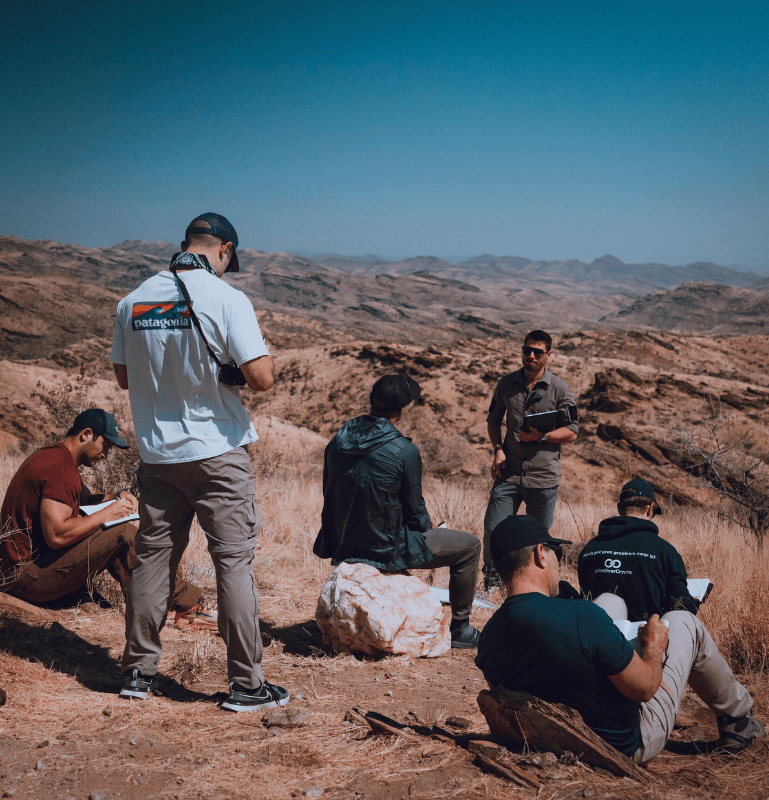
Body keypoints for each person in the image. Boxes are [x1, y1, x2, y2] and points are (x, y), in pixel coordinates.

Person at [111, 212, 285, 712]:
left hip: (158, 453)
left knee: (153, 560)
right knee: (233, 563)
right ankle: (247, 685)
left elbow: (124, 379)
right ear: (224, 249)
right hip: (217, 452)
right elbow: (262, 379)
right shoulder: (227, 298)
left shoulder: (133, 300)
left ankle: (138, 673)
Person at [476, 515, 765, 764]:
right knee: (683, 621)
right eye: (555, 553)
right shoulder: (581, 617)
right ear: (541, 554)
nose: (556, 562)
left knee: (610, 601)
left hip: (552, 738)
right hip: (622, 745)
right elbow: (646, 688)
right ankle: (739, 722)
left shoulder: (489, 636)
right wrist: (654, 647)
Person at [313, 374, 482, 648]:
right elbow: (417, 514)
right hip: (385, 548)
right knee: (470, 546)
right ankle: (461, 629)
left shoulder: (338, 441)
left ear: (372, 401)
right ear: (402, 410)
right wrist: (429, 526)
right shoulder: (404, 450)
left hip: (344, 542)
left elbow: (328, 491)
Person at [0, 408, 202, 614]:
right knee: (122, 534)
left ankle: (153, 606)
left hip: (19, 570)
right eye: (105, 445)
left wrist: (119, 496)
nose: (106, 454)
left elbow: (86, 497)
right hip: (24, 577)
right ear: (86, 434)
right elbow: (57, 535)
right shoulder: (60, 469)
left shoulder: (53, 456)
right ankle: (189, 605)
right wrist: (107, 515)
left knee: (112, 535)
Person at [482, 329, 578, 589]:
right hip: (509, 472)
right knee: (494, 527)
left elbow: (572, 431)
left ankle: (537, 586)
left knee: (539, 538)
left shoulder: (559, 389)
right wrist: (497, 449)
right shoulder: (506, 384)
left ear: (548, 354)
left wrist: (543, 436)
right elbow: (493, 420)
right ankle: (492, 580)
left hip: (543, 476)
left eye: (538, 352)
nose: (532, 356)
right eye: (527, 350)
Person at [578, 478, 699, 620]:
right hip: (645, 639)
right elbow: (682, 606)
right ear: (650, 509)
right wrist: (693, 602)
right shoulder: (665, 551)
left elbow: (585, 597)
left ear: (619, 508)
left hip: (596, 636)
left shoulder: (590, 549)